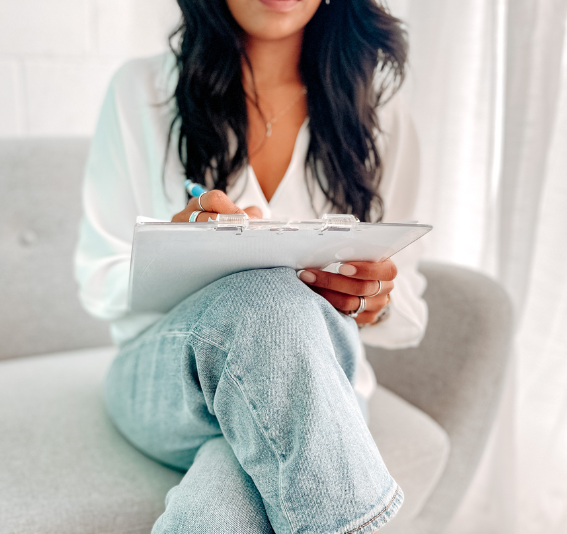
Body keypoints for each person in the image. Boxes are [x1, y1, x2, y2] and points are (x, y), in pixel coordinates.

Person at [74, 0, 427, 532]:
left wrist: (372, 303)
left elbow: (409, 314)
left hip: (320, 382)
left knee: (220, 509)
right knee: (266, 299)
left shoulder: (381, 117)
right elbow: (98, 281)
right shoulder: (140, 92)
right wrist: (182, 254)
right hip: (170, 381)